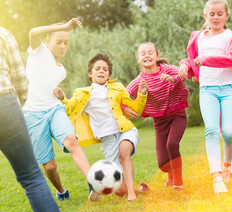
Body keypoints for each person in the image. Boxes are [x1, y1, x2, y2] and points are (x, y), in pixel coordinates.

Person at [179, 0, 232, 193]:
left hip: (229, 88)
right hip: (208, 89)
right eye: (212, 14)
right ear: (205, 15)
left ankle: (227, 165)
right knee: (211, 131)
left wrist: (207, 59)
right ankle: (216, 176)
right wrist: (184, 65)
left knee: (228, 133)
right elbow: (192, 60)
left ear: (227, 15)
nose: (215, 17)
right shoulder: (197, 37)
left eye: (219, 14)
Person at [54, 53, 150, 202]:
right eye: (97, 69)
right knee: (119, 190)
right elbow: (69, 108)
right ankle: (141, 192)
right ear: (90, 73)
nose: (101, 71)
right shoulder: (82, 93)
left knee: (124, 153)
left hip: (125, 131)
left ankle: (131, 196)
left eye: (105, 70)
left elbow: (135, 109)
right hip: (108, 139)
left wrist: (142, 95)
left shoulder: (117, 88)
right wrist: (62, 98)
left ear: (109, 75)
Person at [0, 26, 66, 212]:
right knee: (30, 175)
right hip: (5, 101)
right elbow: (20, 80)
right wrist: (14, 109)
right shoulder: (3, 33)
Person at [22, 18, 91, 200]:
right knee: (50, 166)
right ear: (47, 41)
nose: (63, 46)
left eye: (66, 42)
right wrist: (64, 26)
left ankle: (93, 183)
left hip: (54, 109)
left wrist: (59, 94)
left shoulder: (62, 70)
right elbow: (32, 32)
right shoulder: (38, 52)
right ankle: (61, 190)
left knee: (71, 141)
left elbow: (47, 86)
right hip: (33, 114)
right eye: (58, 41)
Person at [123, 42, 189, 191]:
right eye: (143, 53)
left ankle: (178, 183)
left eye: (150, 52)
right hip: (159, 121)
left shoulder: (167, 70)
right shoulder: (140, 81)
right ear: (138, 60)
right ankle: (171, 174)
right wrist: (124, 108)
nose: (147, 55)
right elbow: (123, 96)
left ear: (157, 56)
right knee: (163, 164)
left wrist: (178, 76)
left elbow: (185, 71)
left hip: (177, 114)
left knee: (172, 144)